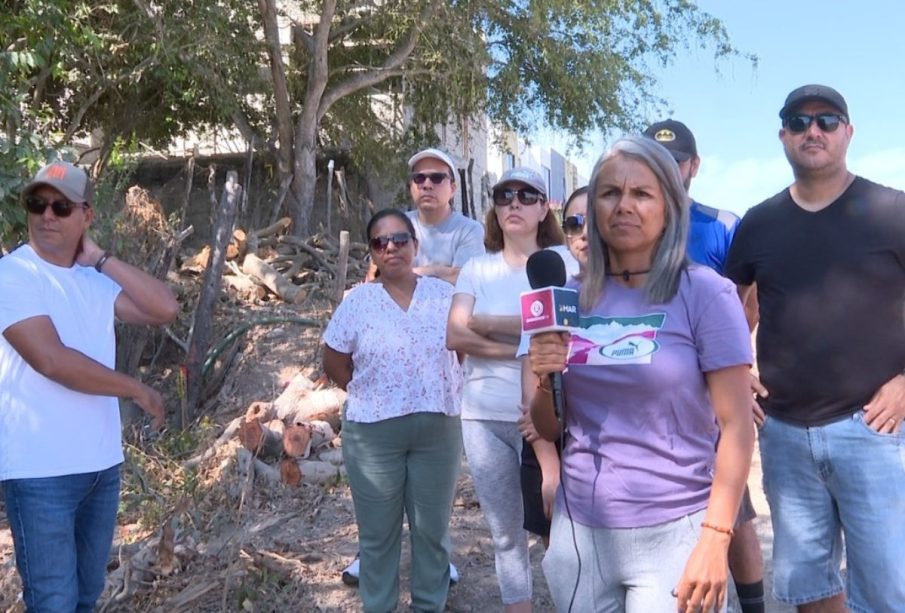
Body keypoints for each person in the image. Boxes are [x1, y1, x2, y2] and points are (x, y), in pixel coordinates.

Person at [529, 136, 753, 612]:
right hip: (582, 534)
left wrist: (715, 540)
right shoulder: (568, 299)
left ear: (669, 206)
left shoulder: (705, 293)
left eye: (641, 194)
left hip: (676, 533)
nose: (623, 206)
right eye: (610, 193)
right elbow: (550, 427)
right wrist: (544, 376)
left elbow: (736, 428)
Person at [725, 84, 905, 613]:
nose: (814, 131)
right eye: (799, 121)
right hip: (783, 435)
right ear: (783, 135)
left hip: (872, 430)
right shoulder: (759, 223)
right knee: (809, 586)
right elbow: (732, 309)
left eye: (827, 120)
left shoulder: (891, 211)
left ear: (848, 132)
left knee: (888, 590)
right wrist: (735, 372)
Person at [0, 161, 179, 611]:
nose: (47, 216)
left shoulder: (92, 280)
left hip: (100, 468)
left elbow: (164, 310)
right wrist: (134, 388)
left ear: (86, 215)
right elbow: (51, 360)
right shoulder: (13, 276)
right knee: (53, 602)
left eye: (61, 207)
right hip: (39, 473)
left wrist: (100, 259)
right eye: (37, 204)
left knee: (85, 599)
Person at [342, 147, 481, 587]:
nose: (426, 184)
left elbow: (472, 282)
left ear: (452, 187)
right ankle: (372, 560)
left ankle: (435, 570)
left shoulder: (469, 230)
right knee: (378, 506)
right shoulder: (395, 223)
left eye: (437, 177)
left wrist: (423, 273)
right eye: (419, 177)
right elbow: (374, 283)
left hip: (441, 384)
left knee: (431, 509)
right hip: (382, 401)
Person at [644, 119, 765, 613]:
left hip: (710, 393)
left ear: (694, 165)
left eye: (677, 161)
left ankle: (754, 605)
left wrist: (732, 370)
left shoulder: (721, 225)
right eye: (657, 159)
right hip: (649, 393)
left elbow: (746, 303)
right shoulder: (626, 223)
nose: (668, 170)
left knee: (735, 510)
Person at [323, 208, 464, 613]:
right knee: (378, 536)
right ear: (371, 252)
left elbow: (464, 350)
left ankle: (428, 606)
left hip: (437, 431)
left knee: (431, 533)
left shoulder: (444, 296)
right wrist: (372, 391)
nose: (391, 248)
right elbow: (333, 361)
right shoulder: (358, 302)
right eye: (380, 242)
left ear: (415, 245)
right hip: (373, 435)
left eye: (400, 239)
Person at [447, 167, 564, 612]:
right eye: (503, 195)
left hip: (549, 417)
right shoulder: (477, 267)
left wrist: (489, 323)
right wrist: (530, 341)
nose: (513, 203)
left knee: (562, 527)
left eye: (526, 194)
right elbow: (456, 335)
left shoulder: (565, 262)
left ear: (542, 207)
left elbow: (567, 333)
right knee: (505, 535)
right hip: (483, 416)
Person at [518, 185, 588, 547]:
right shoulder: (546, 300)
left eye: (595, 220)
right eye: (574, 222)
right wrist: (551, 471)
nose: (585, 232)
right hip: (555, 455)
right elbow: (532, 402)